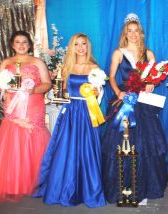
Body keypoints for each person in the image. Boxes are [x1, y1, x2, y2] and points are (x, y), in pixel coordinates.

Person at [33, 33, 106, 208]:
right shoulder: (66, 67)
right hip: (71, 113)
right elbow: (63, 91)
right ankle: (64, 188)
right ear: (72, 47)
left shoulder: (94, 67)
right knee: (67, 149)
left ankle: (89, 190)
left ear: (88, 47)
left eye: (84, 44)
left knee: (87, 149)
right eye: (77, 44)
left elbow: (99, 92)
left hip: (88, 112)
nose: (81, 47)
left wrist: (97, 93)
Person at [102, 13, 168, 205]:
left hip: (143, 103)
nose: (133, 34)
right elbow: (111, 76)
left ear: (141, 33)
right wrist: (118, 92)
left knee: (144, 144)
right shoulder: (118, 53)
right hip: (124, 102)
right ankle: (121, 187)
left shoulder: (148, 54)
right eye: (129, 31)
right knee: (123, 142)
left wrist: (151, 85)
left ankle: (143, 188)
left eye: (136, 31)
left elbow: (153, 78)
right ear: (125, 33)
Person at [0, 30, 51, 202]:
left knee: (33, 135)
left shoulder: (37, 62)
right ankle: (13, 181)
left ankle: (39, 179)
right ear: (12, 45)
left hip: (33, 103)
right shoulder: (6, 62)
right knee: (13, 138)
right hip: (13, 104)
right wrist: (2, 85)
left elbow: (47, 83)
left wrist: (33, 89)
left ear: (29, 45)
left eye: (25, 42)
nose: (21, 45)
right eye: (18, 42)